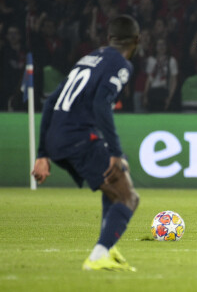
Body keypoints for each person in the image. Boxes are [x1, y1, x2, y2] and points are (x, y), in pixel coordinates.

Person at [31, 15, 140, 271]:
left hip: (58, 137)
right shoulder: (121, 63)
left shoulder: (89, 58)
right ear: (137, 40)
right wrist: (115, 152)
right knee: (128, 198)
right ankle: (98, 256)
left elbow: (49, 102)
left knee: (112, 188)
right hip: (79, 136)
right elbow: (101, 103)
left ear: (109, 38)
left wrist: (42, 153)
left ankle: (109, 250)